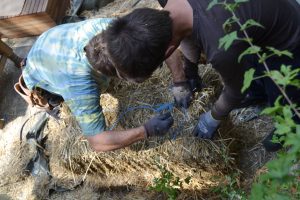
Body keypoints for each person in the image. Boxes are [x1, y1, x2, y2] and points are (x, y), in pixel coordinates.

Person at [104, 0, 300, 152]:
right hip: (257, 20)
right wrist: (190, 70)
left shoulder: (221, 47)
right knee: (252, 76)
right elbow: (183, 32)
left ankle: (289, 124)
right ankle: (259, 92)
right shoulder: (168, 8)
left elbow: (236, 90)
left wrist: (213, 117)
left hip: (288, 38)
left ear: (169, 51)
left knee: (281, 93)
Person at [16, 18, 174, 152]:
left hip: (50, 42)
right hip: (40, 76)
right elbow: (98, 141)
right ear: (117, 74)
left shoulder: (114, 29)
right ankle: (52, 104)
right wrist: (146, 130)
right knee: (57, 103)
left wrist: (180, 81)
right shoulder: (79, 85)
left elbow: (161, 37)